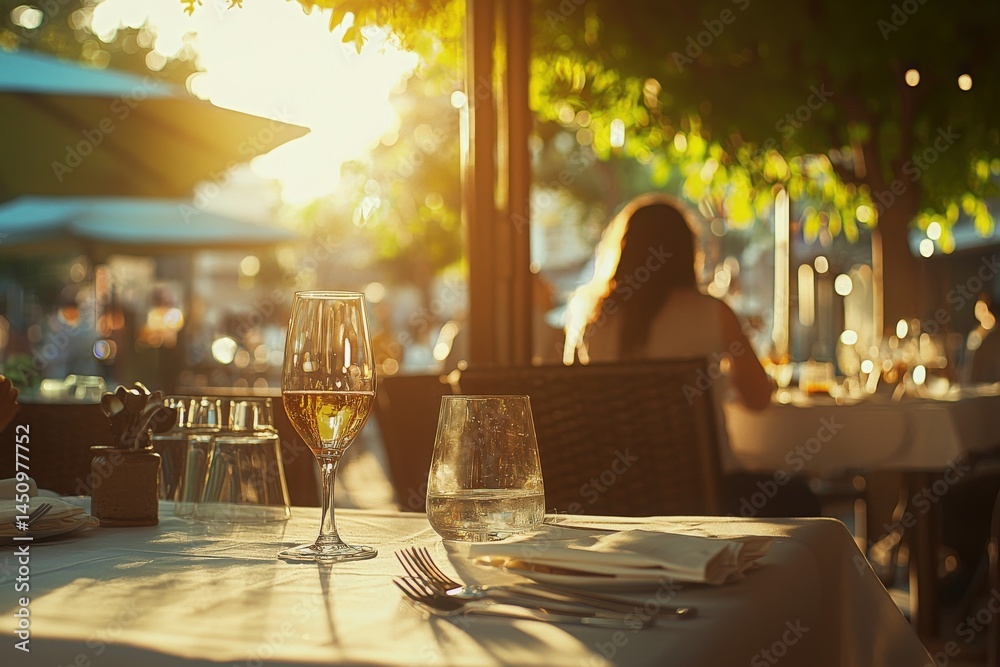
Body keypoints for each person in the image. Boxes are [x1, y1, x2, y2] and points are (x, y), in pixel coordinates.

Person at [563, 193, 819, 516]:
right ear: (687, 252)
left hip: (617, 498)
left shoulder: (591, 321)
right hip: (709, 496)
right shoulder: (714, 313)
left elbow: (580, 407)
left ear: (622, 251)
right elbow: (758, 398)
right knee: (805, 499)